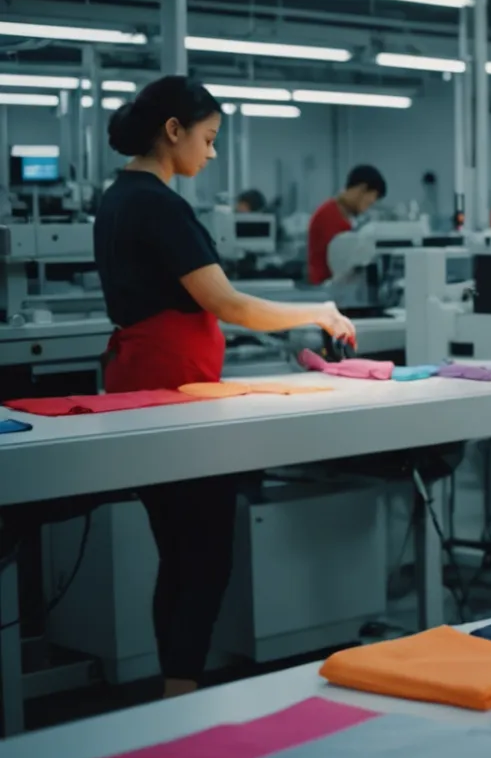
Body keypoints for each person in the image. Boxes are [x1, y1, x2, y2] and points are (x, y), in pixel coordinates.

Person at [94, 77, 355, 698]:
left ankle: (174, 688)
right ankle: (181, 695)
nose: (211, 155)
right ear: (174, 131)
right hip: (172, 393)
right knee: (204, 554)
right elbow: (227, 303)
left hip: (150, 386)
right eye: (208, 140)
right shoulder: (158, 203)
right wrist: (315, 311)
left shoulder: (119, 196)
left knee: (180, 553)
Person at [305, 165, 385, 285]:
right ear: (362, 189)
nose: (366, 208)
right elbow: (342, 264)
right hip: (325, 289)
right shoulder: (329, 215)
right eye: (368, 202)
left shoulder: (341, 214)